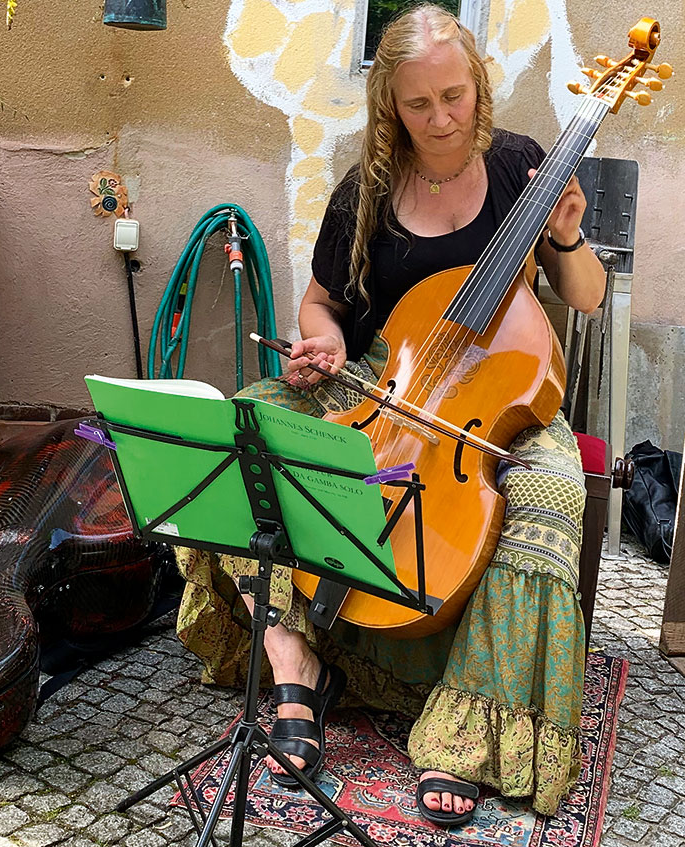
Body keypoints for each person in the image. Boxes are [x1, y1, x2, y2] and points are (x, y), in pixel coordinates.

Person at [175, 3, 605, 825]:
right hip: (386, 379)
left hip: (504, 399)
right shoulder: (367, 187)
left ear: (478, 87)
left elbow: (583, 298)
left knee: (550, 497)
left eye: (455, 96)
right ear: (391, 109)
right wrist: (325, 346)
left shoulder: (523, 168)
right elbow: (319, 305)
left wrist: (572, 238)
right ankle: (294, 655)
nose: (442, 119)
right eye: (419, 104)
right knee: (243, 429)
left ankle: (467, 734)